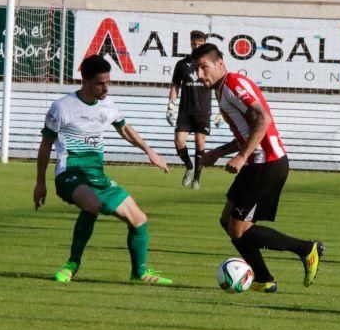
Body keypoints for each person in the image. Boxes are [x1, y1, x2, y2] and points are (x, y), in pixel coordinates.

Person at [192, 43, 325, 293]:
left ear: (219, 62)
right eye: (196, 70)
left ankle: (307, 249)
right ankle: (264, 278)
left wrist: (242, 157)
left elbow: (263, 119)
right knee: (227, 221)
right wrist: (219, 152)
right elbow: (247, 130)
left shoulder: (233, 84)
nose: (200, 75)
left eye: (203, 67)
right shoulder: (223, 89)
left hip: (267, 163)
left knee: (238, 228)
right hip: (257, 164)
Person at [33, 54, 173, 286]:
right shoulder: (62, 107)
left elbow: (125, 129)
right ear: (85, 82)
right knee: (93, 205)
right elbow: (46, 145)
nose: (106, 87)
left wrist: (150, 151)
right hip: (70, 174)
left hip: (97, 178)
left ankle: (140, 272)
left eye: (108, 82)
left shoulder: (108, 105)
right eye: (100, 83)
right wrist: (40, 182)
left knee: (139, 219)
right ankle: (72, 265)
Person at [166, 30, 212, 190]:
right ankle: (189, 167)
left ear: (204, 44)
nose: (197, 46)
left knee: (200, 143)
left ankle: (197, 179)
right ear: (191, 43)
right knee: (179, 142)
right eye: (194, 44)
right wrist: (171, 105)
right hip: (185, 111)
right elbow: (175, 85)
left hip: (203, 111)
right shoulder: (182, 64)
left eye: (200, 44)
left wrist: (222, 110)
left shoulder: (210, 64)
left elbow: (218, 85)